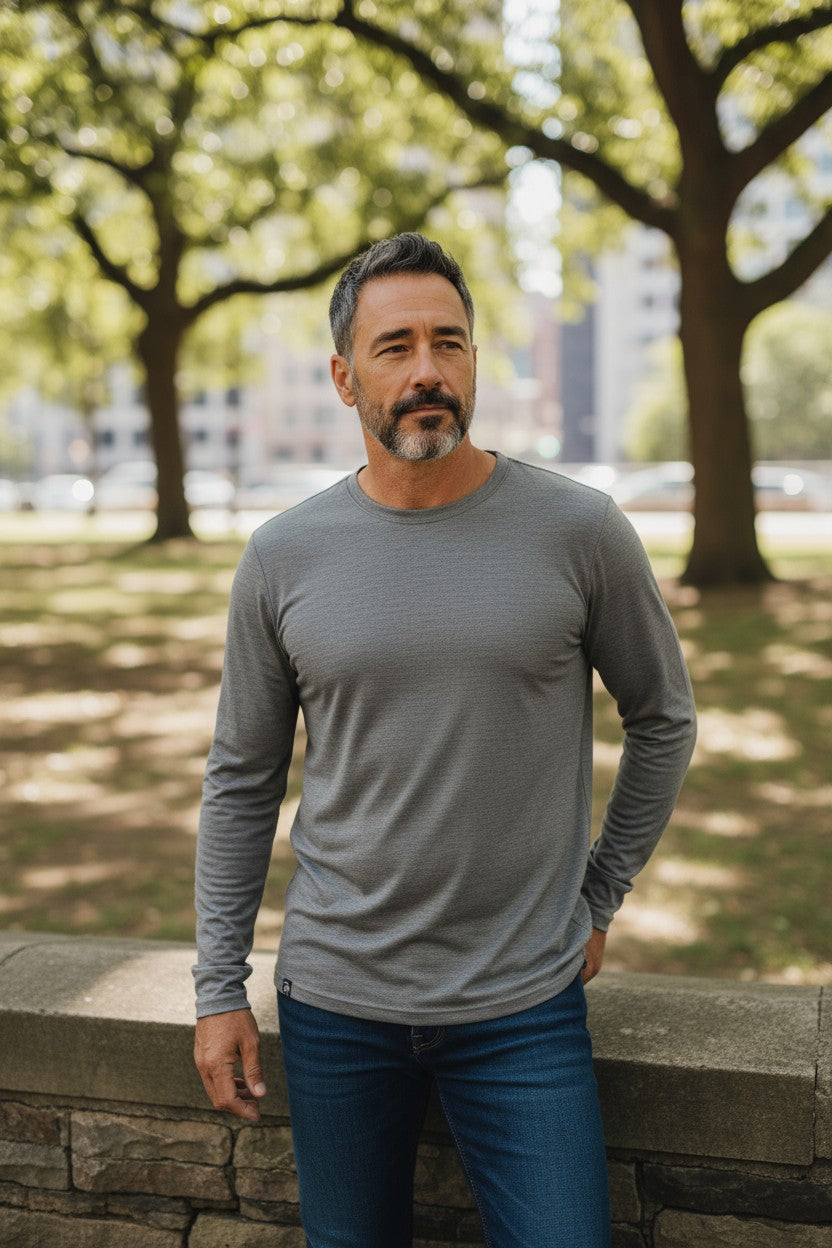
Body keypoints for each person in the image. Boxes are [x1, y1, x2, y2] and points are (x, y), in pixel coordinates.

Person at [193, 232, 697, 1248]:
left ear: (473, 361)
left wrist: (599, 894)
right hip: (334, 1006)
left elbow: (663, 719)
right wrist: (217, 988)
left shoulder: (579, 530)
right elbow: (242, 780)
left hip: (523, 1006)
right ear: (345, 377)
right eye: (395, 347)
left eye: (448, 342)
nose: (426, 369)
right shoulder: (282, 557)